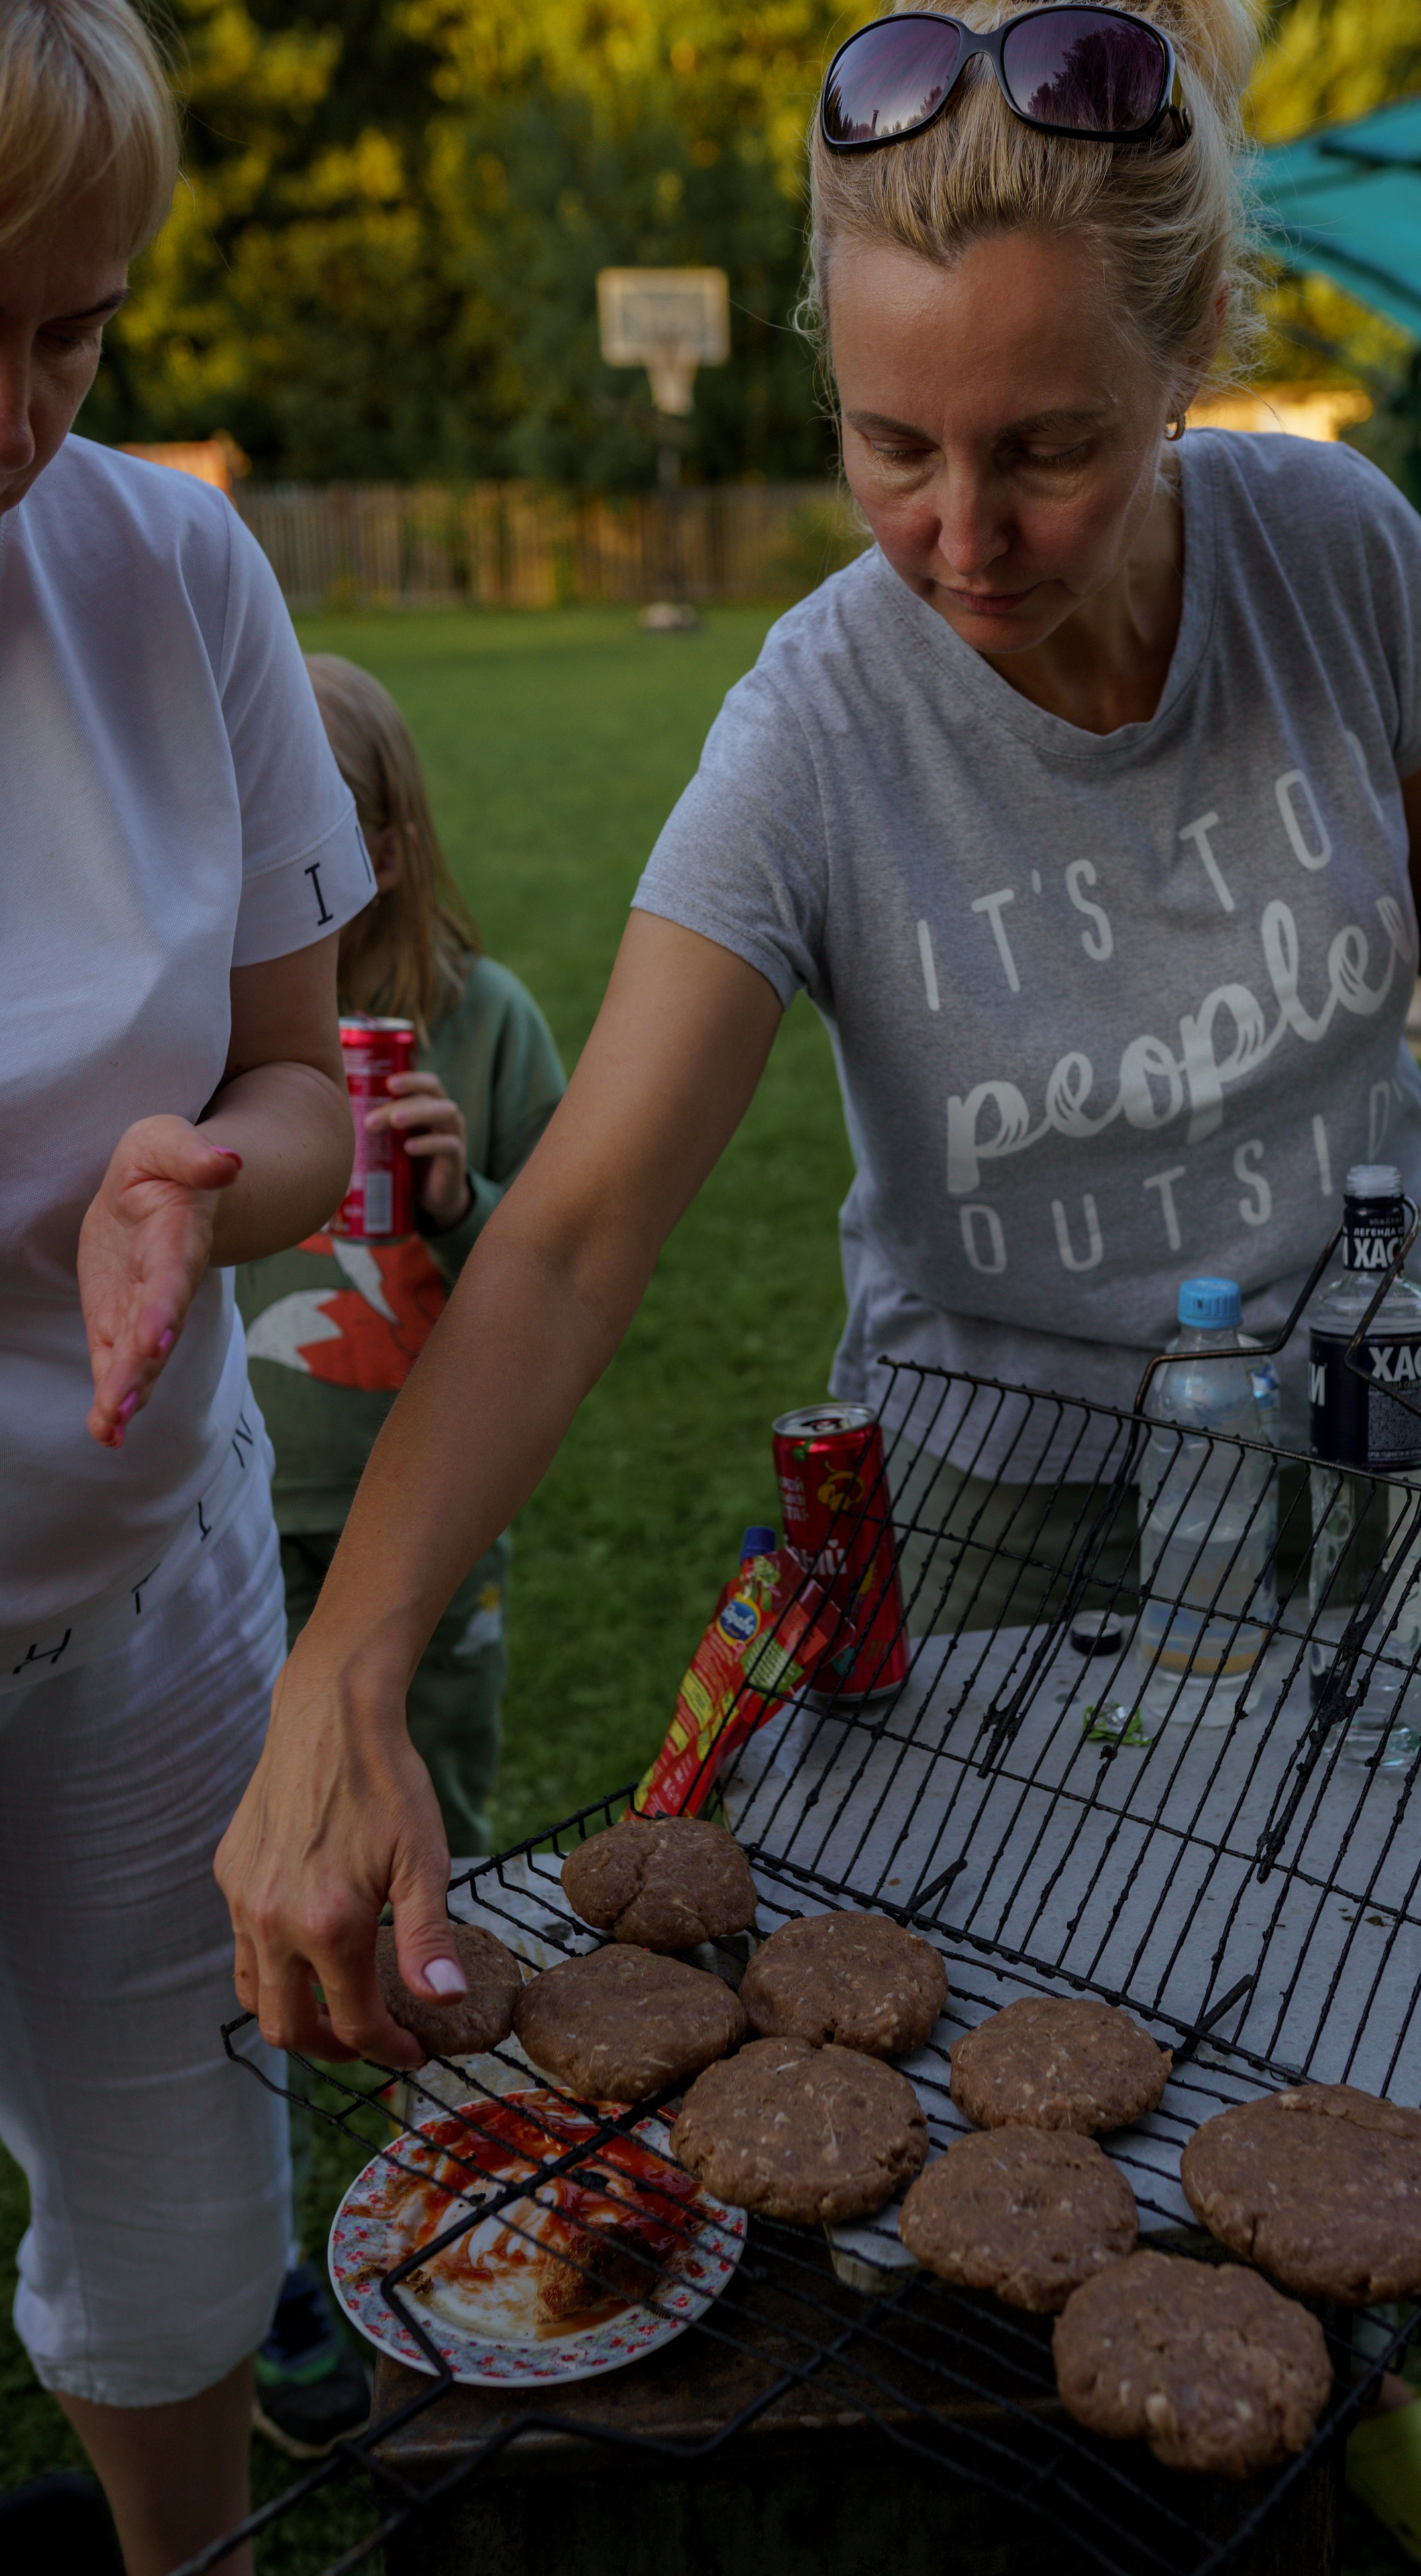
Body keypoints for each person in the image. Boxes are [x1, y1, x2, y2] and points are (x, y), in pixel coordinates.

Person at [219, 0, 1421, 2063]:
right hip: (1000, 1512)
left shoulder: (1335, 557)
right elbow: (567, 1229)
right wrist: (343, 1665)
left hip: (1366, 1419)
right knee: (1016, 2050)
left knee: (1348, 1977)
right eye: (891, 445)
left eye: (1047, 447)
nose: (959, 536)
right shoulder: (814, 735)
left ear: (1187, 366)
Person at [0, 4, 374, 2569]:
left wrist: (194, 1186)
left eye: (70, 329)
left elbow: (305, 1086)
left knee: (179, 2218)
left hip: (139, 1585)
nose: (19, 415)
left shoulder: (163, 565)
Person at [238, 657, 565, 2456]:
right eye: (258, 812)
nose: (296, 851)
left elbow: (568, 1273)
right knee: (265, 1906)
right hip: (240, 1537)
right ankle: (277, 2265)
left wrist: (463, 1199)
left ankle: (476, 2190)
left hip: (424, 1537)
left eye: (335, 818)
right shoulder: (201, 1019)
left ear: (390, 834)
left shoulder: (484, 1017)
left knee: (450, 1875)